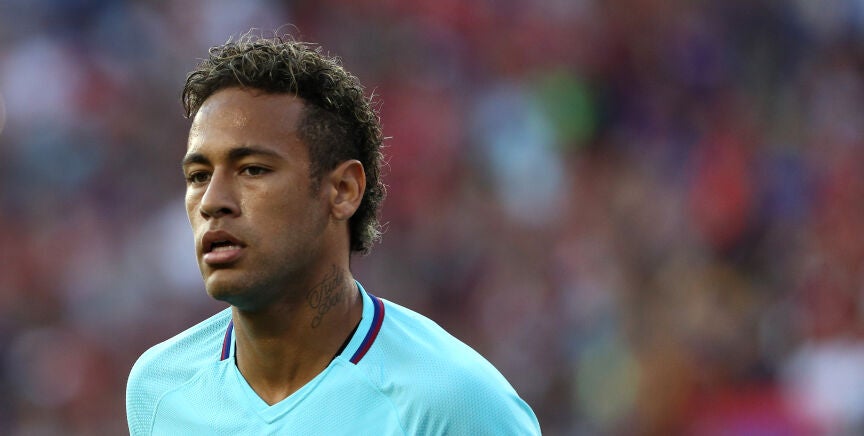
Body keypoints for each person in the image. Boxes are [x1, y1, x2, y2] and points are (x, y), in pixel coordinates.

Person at [125, 32, 540, 435]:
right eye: (198, 175)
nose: (212, 201)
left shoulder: (453, 403)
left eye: (253, 169)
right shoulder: (159, 388)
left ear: (343, 190)